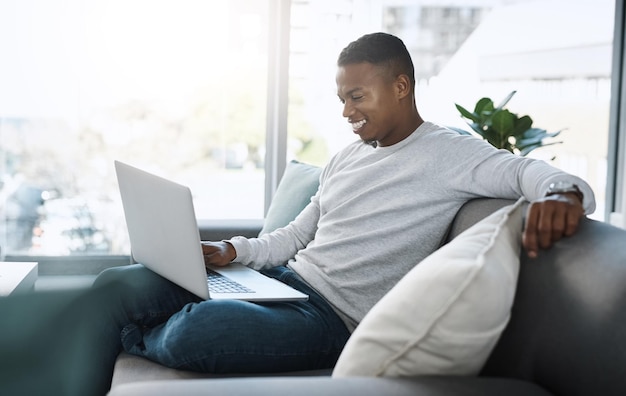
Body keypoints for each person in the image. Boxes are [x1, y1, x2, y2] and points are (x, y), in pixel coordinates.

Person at [2, 32, 595, 396]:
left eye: (357, 97)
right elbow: (294, 235)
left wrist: (562, 195)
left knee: (196, 332)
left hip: (330, 321)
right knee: (117, 283)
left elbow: (528, 173)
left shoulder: (452, 152)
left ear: (402, 86)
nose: (347, 112)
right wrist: (230, 254)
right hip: (283, 284)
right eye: (341, 99)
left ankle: (135, 334)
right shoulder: (346, 156)